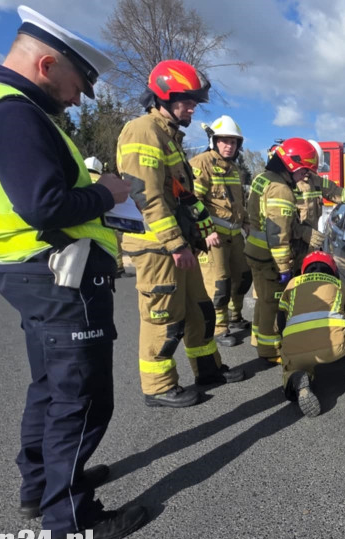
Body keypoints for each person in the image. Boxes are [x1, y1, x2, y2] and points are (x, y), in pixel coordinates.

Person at [0, 4, 145, 539]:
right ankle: (70, 520)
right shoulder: (12, 112)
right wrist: (110, 192)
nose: (80, 98)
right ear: (46, 64)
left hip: (30, 272)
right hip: (62, 272)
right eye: (79, 83)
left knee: (49, 388)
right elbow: (44, 203)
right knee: (81, 398)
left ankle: (41, 488)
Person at [117, 60, 246, 408]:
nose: (192, 107)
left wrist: (202, 233)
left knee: (199, 310)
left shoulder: (169, 138)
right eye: (185, 100)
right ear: (163, 97)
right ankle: (158, 386)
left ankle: (208, 369)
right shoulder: (143, 131)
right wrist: (175, 244)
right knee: (163, 317)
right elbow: (146, 195)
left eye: (193, 101)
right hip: (157, 246)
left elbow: (184, 195)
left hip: (179, 245)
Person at [278, 251, 345, 417]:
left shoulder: (292, 284)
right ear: (333, 270)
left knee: (291, 359)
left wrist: (285, 343)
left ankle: (295, 380)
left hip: (295, 350)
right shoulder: (337, 284)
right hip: (332, 348)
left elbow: (280, 318)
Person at [244, 137, 317, 364]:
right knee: (272, 302)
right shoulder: (281, 190)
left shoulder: (263, 178)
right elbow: (278, 236)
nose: (305, 176)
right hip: (270, 257)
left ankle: (258, 338)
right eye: (303, 170)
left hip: (255, 252)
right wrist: (284, 267)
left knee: (263, 300)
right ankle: (269, 350)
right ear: (292, 165)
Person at [190, 115, 253, 347]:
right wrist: (205, 230)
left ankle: (236, 318)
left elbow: (238, 201)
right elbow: (193, 201)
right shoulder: (201, 164)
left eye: (233, 142)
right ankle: (219, 327)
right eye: (224, 141)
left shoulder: (234, 169)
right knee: (220, 283)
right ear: (214, 141)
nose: (229, 146)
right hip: (213, 235)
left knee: (243, 277)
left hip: (235, 234)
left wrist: (245, 220)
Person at [292, 139, 345, 269]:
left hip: (307, 247)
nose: (308, 175)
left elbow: (336, 192)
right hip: (289, 248)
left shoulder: (315, 180)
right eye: (306, 170)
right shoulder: (285, 185)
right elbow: (280, 223)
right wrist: (303, 232)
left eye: (311, 170)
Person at [85, 156, 129, 278]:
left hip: (84, 220)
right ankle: (118, 268)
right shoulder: (104, 180)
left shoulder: (81, 179)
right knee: (115, 241)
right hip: (107, 219)